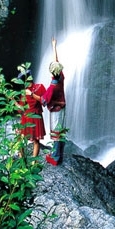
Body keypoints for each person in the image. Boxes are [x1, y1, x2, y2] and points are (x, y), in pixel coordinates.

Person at [43, 38, 66, 166]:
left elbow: (44, 100)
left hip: (56, 110)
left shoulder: (52, 87)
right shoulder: (61, 77)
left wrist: (31, 94)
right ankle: (59, 153)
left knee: (56, 133)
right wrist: (54, 46)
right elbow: (56, 62)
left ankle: (56, 158)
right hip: (63, 107)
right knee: (61, 131)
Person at [17, 68, 46, 158]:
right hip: (37, 117)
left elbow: (20, 109)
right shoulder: (40, 87)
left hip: (27, 118)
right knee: (36, 140)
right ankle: (34, 162)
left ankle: (22, 159)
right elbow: (44, 101)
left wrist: (13, 101)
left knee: (19, 138)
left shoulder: (24, 92)